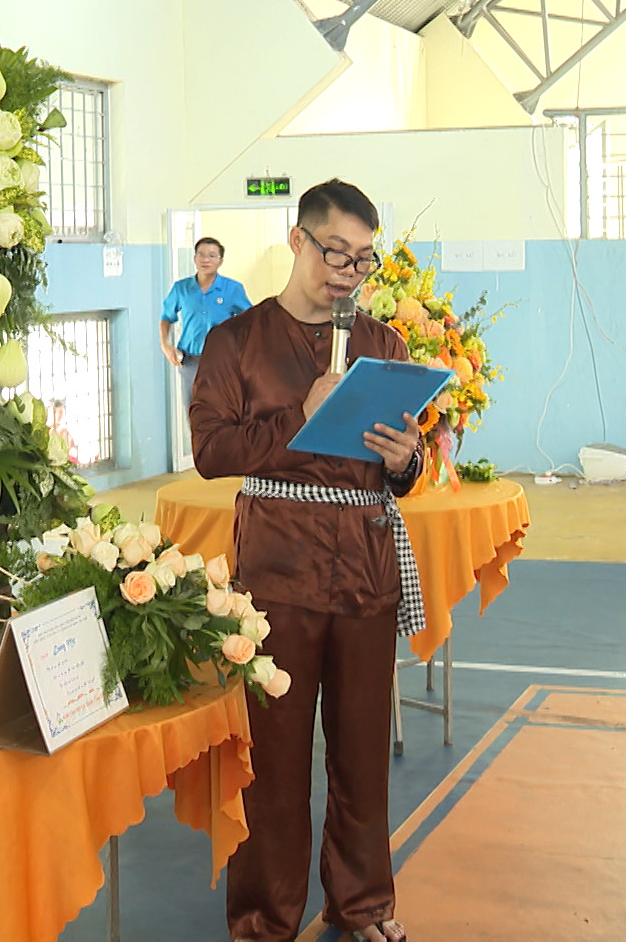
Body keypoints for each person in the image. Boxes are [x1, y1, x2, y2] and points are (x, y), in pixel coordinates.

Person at [191, 179, 422, 942]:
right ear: (297, 240)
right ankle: (265, 917)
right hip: (277, 574)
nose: (347, 273)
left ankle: (363, 905)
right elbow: (211, 452)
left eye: (363, 259)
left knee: (362, 754)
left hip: (365, 569)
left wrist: (406, 460)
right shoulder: (236, 342)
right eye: (335, 253)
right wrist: (301, 416)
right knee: (275, 760)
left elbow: (403, 467)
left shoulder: (384, 347)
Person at [162, 236, 252, 404]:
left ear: (220, 261)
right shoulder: (181, 288)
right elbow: (166, 317)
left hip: (222, 362)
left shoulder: (233, 289)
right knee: (193, 409)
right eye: (201, 255)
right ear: (194, 258)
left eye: (212, 256)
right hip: (190, 362)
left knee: (221, 408)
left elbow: (250, 320)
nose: (205, 260)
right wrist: (166, 346)